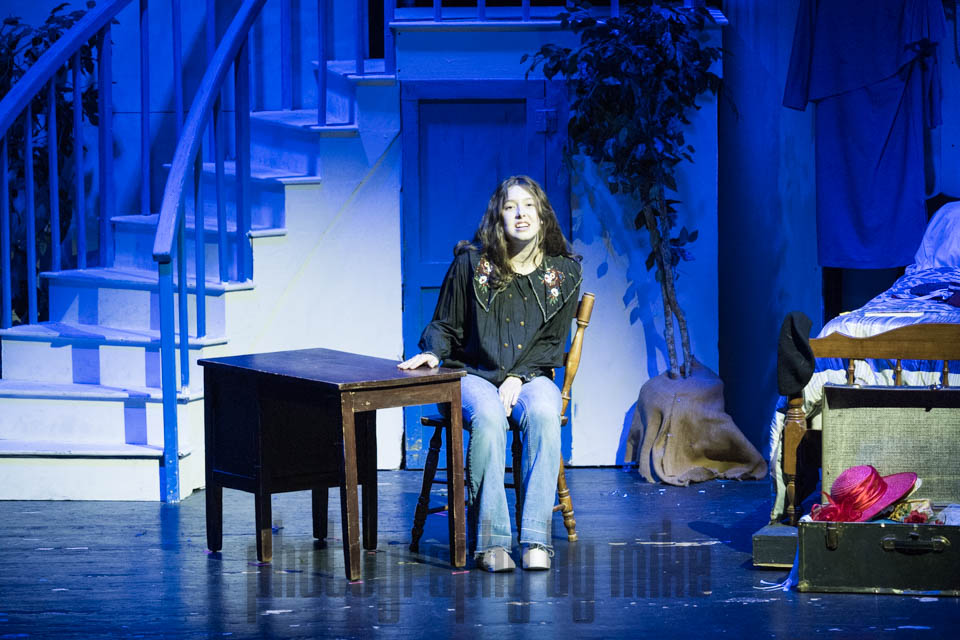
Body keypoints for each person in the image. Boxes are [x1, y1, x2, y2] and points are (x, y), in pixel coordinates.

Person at [398, 175, 582, 572]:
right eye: (511, 207)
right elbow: (445, 324)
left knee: (545, 412)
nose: (521, 214)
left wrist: (520, 375)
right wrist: (431, 352)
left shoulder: (562, 273)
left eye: (529, 206)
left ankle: (536, 539)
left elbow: (553, 342)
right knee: (489, 417)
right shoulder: (471, 263)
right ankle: (492, 542)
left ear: (542, 215)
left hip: (531, 375)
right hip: (472, 373)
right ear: (498, 217)